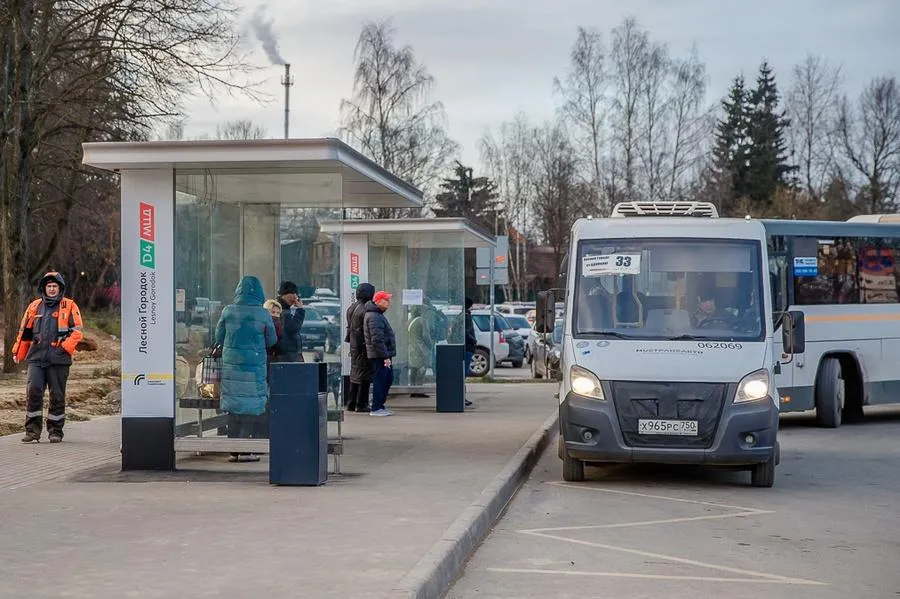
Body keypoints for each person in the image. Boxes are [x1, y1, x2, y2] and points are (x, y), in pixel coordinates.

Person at [12, 272, 84, 443]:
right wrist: (18, 352)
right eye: (49, 286)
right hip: (36, 357)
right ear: (44, 288)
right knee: (33, 392)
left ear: (60, 288)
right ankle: (32, 431)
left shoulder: (70, 305)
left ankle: (55, 431)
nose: (51, 289)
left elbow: (77, 331)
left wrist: (64, 348)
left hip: (59, 359)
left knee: (57, 395)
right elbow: (25, 333)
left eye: (54, 286)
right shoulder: (34, 306)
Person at [215, 276, 277, 462]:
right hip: (253, 368)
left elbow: (219, 337)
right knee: (251, 406)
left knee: (234, 407)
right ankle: (247, 449)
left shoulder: (228, 311)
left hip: (232, 366)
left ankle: (233, 449)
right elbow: (271, 340)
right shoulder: (263, 314)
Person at [364, 290, 396, 416]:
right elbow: (377, 339)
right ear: (378, 301)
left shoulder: (377, 315)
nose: (388, 302)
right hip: (379, 355)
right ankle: (376, 407)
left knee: (387, 379)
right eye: (385, 300)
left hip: (381, 354)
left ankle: (380, 406)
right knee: (381, 380)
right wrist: (385, 357)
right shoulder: (374, 317)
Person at [344, 283, 375, 412]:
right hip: (363, 345)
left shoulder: (352, 307)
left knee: (355, 375)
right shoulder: (366, 309)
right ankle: (362, 404)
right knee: (364, 376)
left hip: (354, 346)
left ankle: (351, 403)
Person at [275, 280, 305, 362]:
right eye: (292, 294)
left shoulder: (284, 309)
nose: (295, 297)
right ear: (284, 295)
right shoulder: (281, 310)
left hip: (287, 354)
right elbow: (293, 328)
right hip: (287, 355)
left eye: (296, 294)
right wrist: (300, 310)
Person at [407, 305, 432, 395]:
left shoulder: (410, 321)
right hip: (421, 348)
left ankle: (413, 390)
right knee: (422, 369)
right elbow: (425, 335)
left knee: (414, 370)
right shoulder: (422, 321)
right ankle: (419, 391)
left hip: (412, 347)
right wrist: (430, 346)